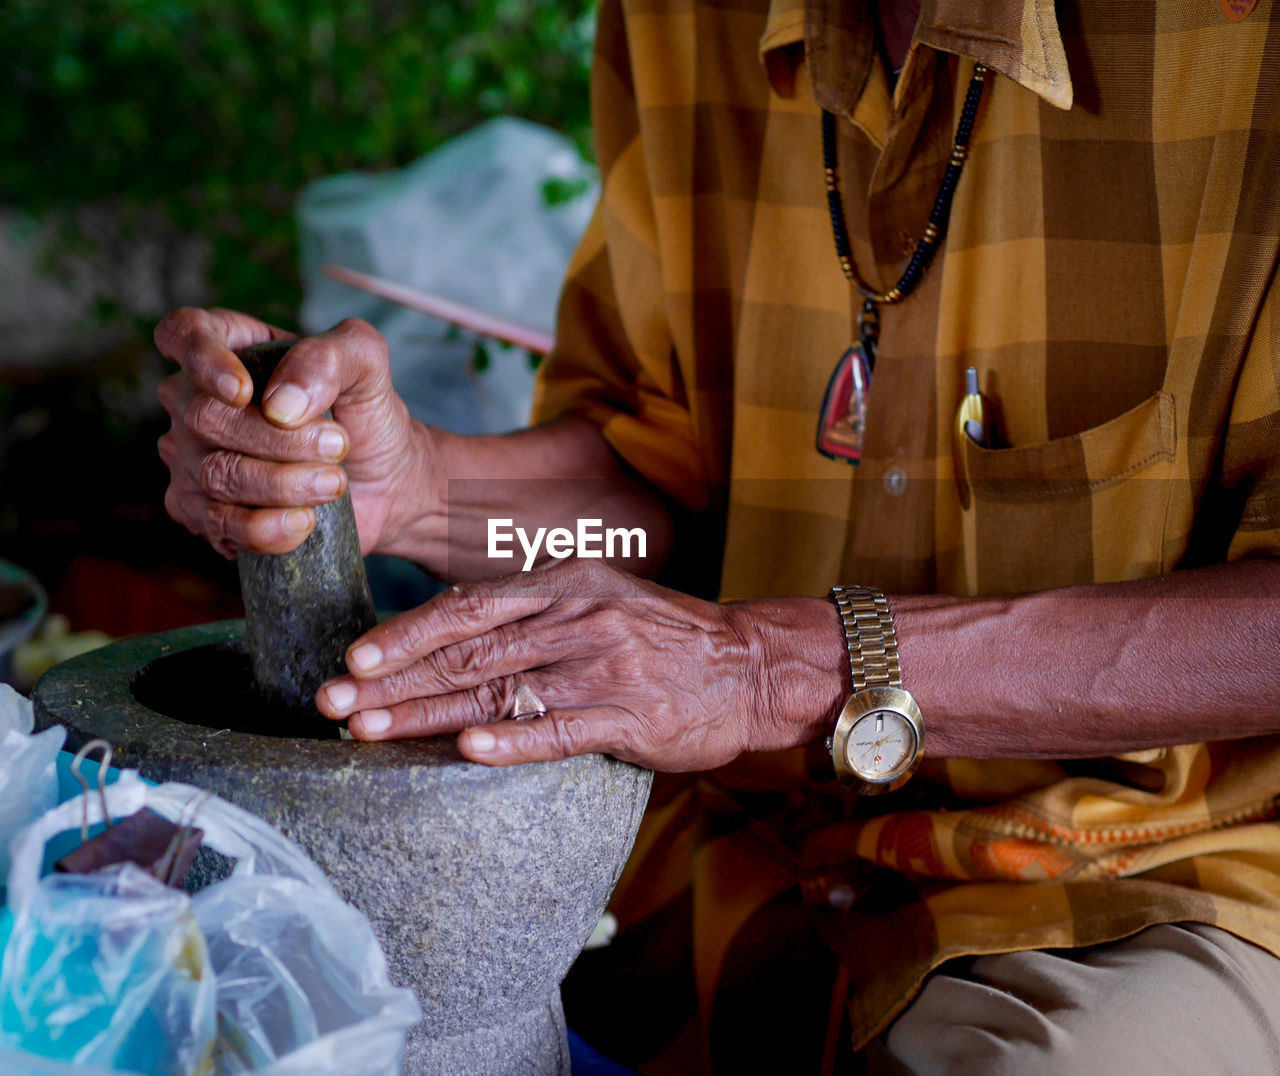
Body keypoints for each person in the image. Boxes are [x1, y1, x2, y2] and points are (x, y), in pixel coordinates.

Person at [155, 0, 1280, 1070]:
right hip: (746, 838)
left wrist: (767, 670)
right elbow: (655, 496)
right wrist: (418, 491)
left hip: (1149, 870)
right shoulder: (679, 19)